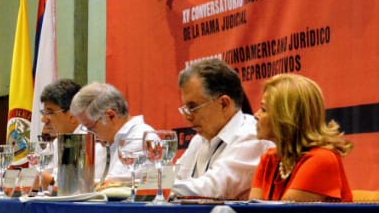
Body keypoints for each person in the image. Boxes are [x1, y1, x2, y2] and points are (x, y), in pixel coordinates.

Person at [172, 57, 271, 200]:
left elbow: (213, 189)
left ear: (224, 104)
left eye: (193, 107)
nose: (187, 116)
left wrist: (158, 186)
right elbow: (174, 176)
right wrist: (145, 183)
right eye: (185, 109)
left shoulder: (251, 136)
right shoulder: (199, 140)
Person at [249, 73, 354, 202]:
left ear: (286, 117)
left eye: (264, 109)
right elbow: (250, 212)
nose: (256, 115)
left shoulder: (321, 159)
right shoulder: (268, 159)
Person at [0, 78, 85, 194]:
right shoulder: (57, 142)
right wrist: (0, 182)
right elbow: (33, 178)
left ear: (73, 115)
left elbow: (83, 189)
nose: (44, 120)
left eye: (49, 113)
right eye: (43, 113)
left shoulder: (90, 143)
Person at [69, 82, 155, 185]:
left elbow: (112, 185)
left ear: (111, 116)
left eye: (91, 127)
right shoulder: (106, 142)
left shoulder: (140, 138)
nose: (90, 135)